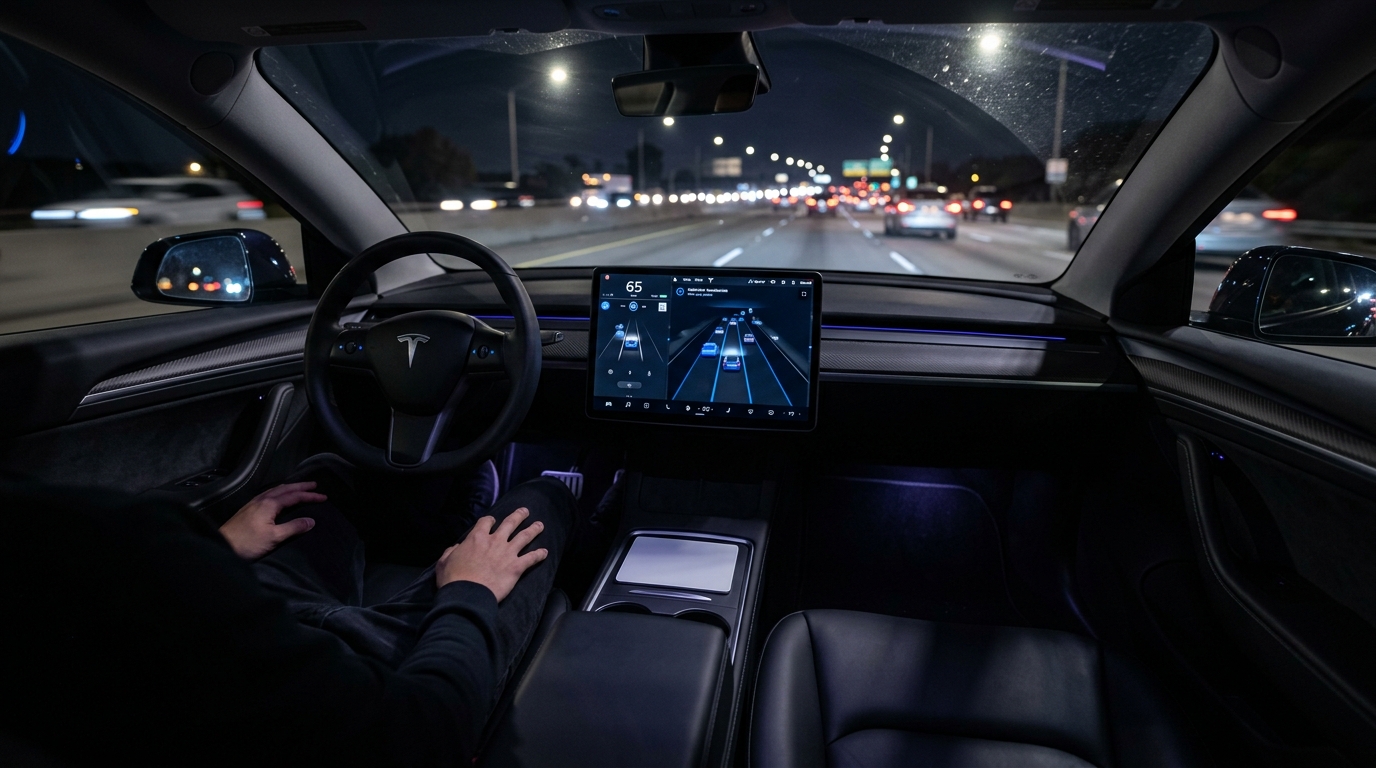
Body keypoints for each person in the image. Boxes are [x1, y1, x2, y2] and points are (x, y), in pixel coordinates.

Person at [0, 457, 575, 768]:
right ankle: (546, 507)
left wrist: (214, 551)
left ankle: (446, 528)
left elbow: (142, 612)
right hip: (380, 677)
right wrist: (469, 590)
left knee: (315, 491)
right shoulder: (115, 536)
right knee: (539, 505)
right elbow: (425, 735)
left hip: (255, 629)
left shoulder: (53, 546)